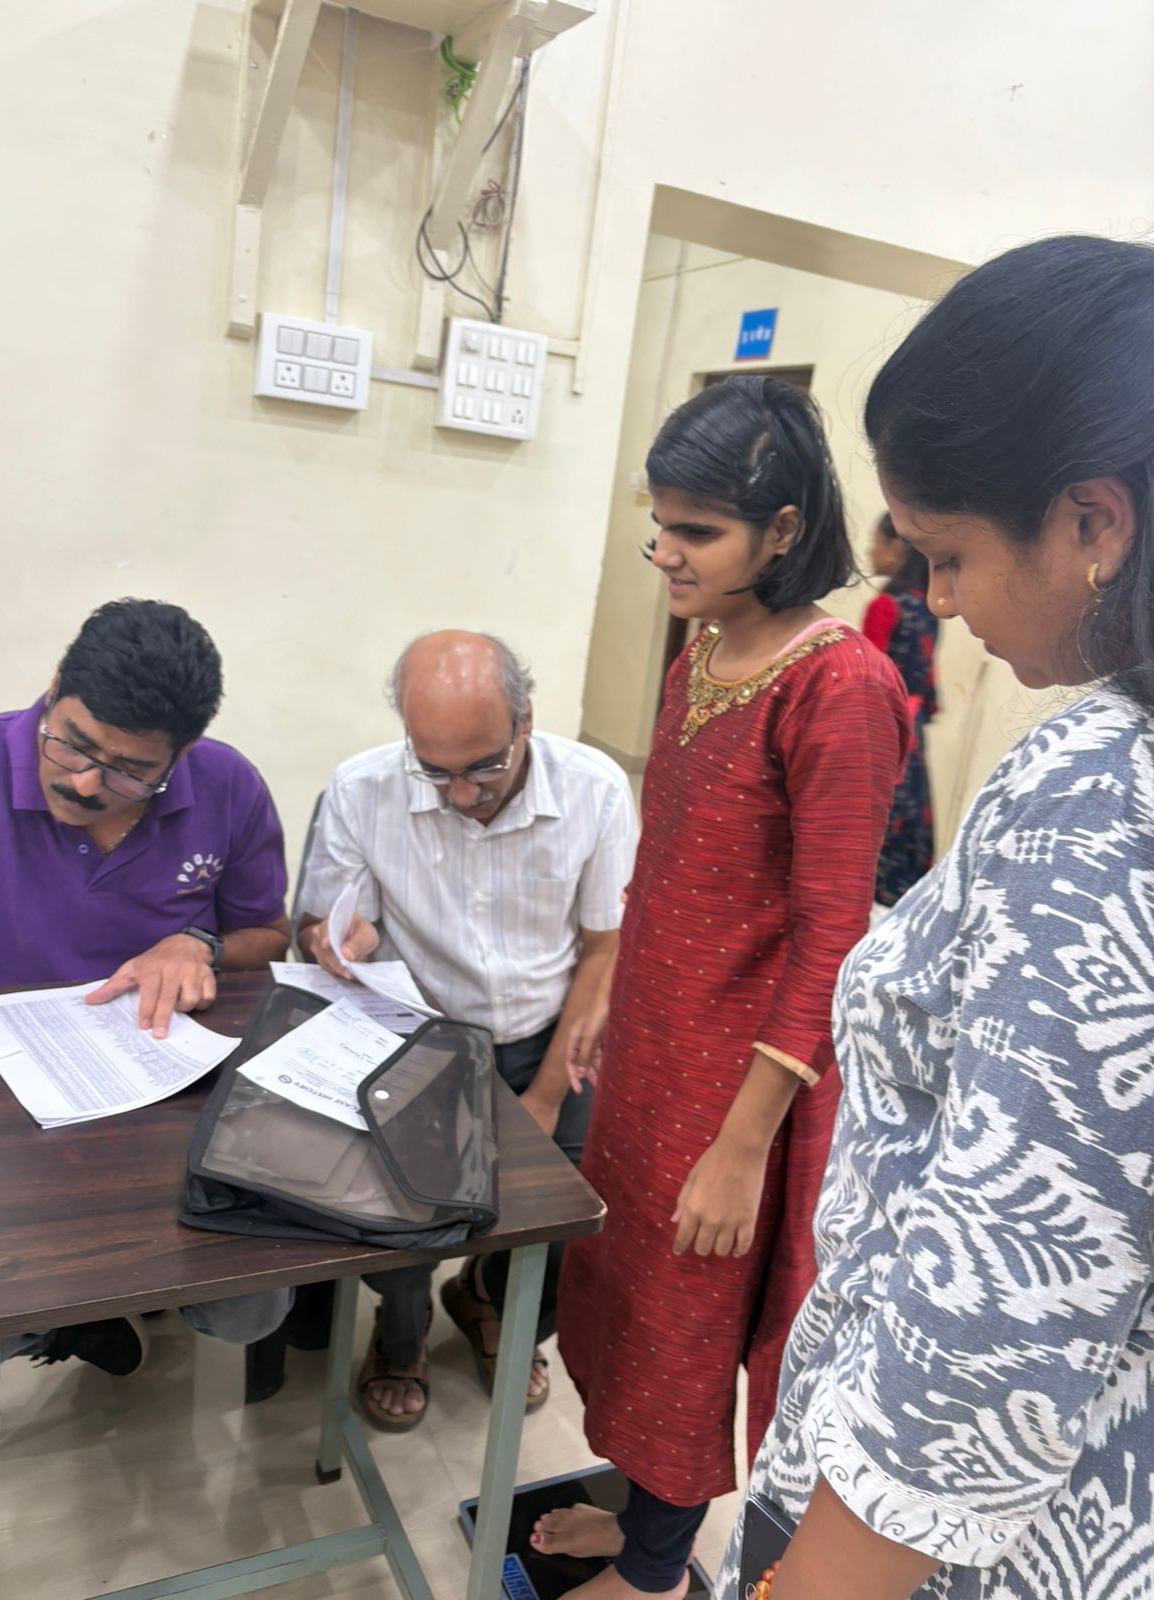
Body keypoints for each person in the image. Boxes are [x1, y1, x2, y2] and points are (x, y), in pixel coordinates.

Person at [714, 234, 1154, 1600]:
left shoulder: (1102, 800)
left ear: (1094, 524)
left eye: (951, 553)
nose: (940, 596)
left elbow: (1003, 1295)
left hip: (962, 1530)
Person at [542, 376, 911, 1600]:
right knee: (626, 1299)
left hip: (741, 1080)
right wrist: (612, 983)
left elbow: (832, 937)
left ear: (784, 528)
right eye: (660, 523)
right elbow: (673, 850)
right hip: (656, 1046)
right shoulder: (702, 651)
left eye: (696, 530)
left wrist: (745, 1145)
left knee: (689, 1327)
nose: (665, 552)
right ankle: (634, 1522)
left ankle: (657, 1572)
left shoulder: (840, 687)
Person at [296, 630, 638, 1432]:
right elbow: (321, 924)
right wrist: (335, 939)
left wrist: (546, 1095)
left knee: (574, 1212)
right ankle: (402, 1328)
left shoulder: (593, 789)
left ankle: (486, 1298)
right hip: (419, 1041)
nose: (458, 794)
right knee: (400, 1209)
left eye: (484, 767)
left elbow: (605, 949)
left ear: (526, 720)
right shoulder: (361, 789)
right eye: (434, 770)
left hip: (551, 1035)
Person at [0, 598, 293, 1374]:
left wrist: (198, 942)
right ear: (53, 688)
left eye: (129, 770)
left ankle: (107, 1307)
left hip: (153, 1089)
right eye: (71, 743)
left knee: (251, 1302)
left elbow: (268, 935)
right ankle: (64, 1323)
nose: (82, 782)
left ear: (180, 755)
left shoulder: (228, 785)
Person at [861, 511, 940, 906]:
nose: (870, 551)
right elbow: (927, 671)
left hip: (881, 729)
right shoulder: (925, 606)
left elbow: (867, 679)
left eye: (875, 541)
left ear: (896, 548)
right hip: (913, 731)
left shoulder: (885, 606)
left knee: (873, 809)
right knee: (909, 806)